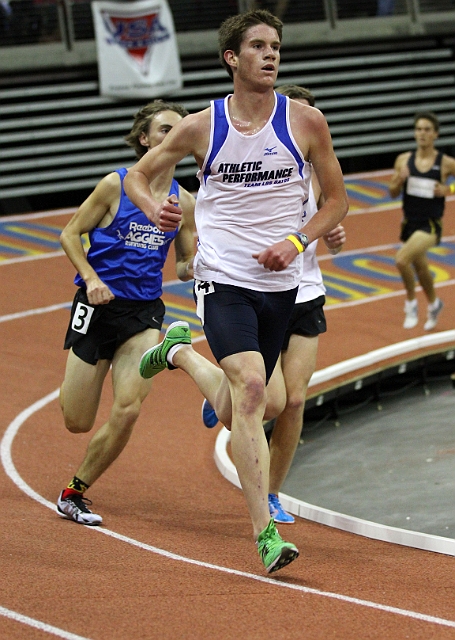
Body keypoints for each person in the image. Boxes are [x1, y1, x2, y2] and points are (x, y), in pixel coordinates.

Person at [124, 9, 348, 574]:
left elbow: (336, 203)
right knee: (252, 388)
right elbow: (137, 176)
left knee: (245, 404)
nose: (271, 55)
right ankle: (265, 534)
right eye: (258, 47)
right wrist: (157, 209)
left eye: (276, 46)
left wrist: (297, 244)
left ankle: (175, 353)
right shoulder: (202, 126)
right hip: (223, 276)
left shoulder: (306, 122)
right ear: (232, 58)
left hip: (283, 283)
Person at [201, 85, 346, 525]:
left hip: (306, 291)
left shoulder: (317, 168)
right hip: (259, 287)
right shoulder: (258, 161)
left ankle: (274, 494)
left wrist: (333, 236)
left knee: (296, 402)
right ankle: (211, 379)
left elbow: (331, 216)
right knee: (270, 401)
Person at [56, 100, 196, 526]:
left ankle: (74, 491)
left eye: (179, 130)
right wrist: (91, 278)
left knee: (130, 407)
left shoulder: (185, 202)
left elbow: (184, 265)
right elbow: (70, 234)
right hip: (96, 308)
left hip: (144, 313)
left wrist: (204, 261)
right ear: (145, 139)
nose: (172, 136)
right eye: (163, 129)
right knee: (77, 421)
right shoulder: (115, 185)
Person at [389, 111, 455, 330]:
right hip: (409, 223)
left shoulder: (445, 163)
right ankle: (435, 303)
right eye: (418, 129)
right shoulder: (403, 160)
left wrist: (448, 189)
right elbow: (392, 192)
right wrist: (400, 179)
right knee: (422, 270)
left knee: (401, 260)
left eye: (427, 129)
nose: (422, 134)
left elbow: (450, 187)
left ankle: (410, 304)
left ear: (435, 134)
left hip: (431, 225)